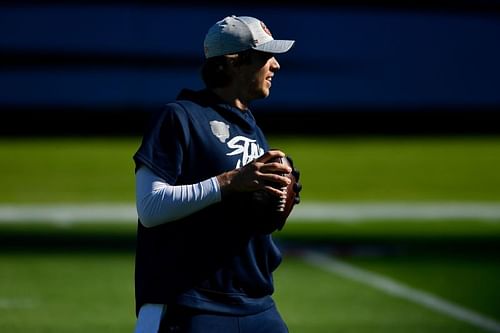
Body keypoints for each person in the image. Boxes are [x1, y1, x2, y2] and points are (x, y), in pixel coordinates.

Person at [132, 15, 301, 333]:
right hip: (190, 305)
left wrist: (276, 197)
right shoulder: (179, 117)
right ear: (235, 63)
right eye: (266, 57)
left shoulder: (249, 125)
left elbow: (240, 214)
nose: (275, 66)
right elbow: (150, 208)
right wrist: (228, 183)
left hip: (257, 304)